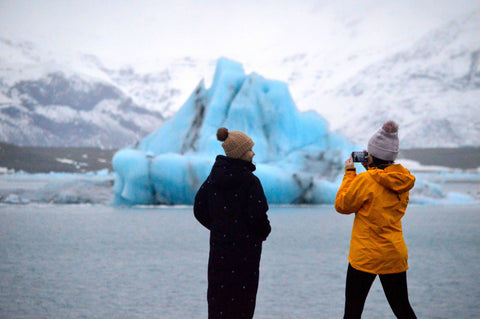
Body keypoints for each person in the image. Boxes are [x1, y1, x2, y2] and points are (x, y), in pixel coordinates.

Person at [335, 120, 417, 319]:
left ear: (371, 156)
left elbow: (342, 205)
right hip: (393, 254)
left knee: (352, 312)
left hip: (365, 256)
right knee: (403, 310)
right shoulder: (403, 179)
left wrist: (350, 173)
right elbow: (380, 186)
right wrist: (372, 169)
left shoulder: (366, 180)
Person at [194, 127, 271, 319]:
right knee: (242, 303)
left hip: (219, 252)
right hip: (245, 254)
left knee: (219, 300)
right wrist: (262, 233)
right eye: (249, 150)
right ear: (239, 154)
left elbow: (199, 208)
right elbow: (258, 215)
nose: (253, 153)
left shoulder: (213, 178)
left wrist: (219, 228)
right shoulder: (250, 181)